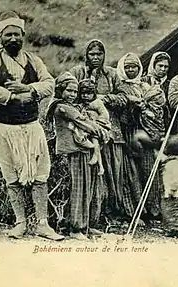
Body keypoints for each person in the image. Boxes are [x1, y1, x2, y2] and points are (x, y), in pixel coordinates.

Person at [0, 11, 63, 240]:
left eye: (17, 34)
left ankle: (42, 224)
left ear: (23, 35)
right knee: (12, 176)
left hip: (32, 127)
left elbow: (49, 84)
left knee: (40, 174)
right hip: (5, 128)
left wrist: (28, 90)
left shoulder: (34, 60)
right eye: (8, 35)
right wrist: (11, 97)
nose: (13, 39)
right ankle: (20, 223)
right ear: (0, 37)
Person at [70, 40, 142, 226]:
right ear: (86, 55)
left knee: (114, 172)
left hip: (111, 130)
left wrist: (104, 99)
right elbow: (66, 92)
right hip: (84, 130)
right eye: (92, 54)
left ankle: (113, 211)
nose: (95, 58)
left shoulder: (111, 74)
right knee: (93, 173)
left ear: (104, 55)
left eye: (99, 54)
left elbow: (123, 97)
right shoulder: (77, 72)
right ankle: (94, 215)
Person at [46, 72, 110, 240]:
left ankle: (88, 225)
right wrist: (102, 131)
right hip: (75, 152)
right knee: (80, 189)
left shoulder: (73, 106)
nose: (73, 95)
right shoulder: (62, 107)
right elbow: (84, 122)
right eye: (69, 91)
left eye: (75, 92)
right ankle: (76, 228)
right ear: (60, 90)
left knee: (92, 189)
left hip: (84, 150)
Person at [114, 52, 165, 222]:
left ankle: (153, 210)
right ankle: (137, 212)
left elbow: (158, 101)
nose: (130, 70)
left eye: (134, 66)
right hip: (129, 132)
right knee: (132, 173)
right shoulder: (120, 86)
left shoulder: (144, 86)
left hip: (146, 132)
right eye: (127, 67)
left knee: (149, 170)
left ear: (139, 68)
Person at [70, 79, 111, 176]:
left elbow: (104, 114)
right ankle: (100, 166)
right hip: (86, 127)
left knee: (94, 139)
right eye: (83, 93)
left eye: (89, 93)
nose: (85, 96)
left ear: (94, 94)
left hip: (98, 126)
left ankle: (97, 158)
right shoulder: (80, 104)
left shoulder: (97, 103)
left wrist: (98, 123)